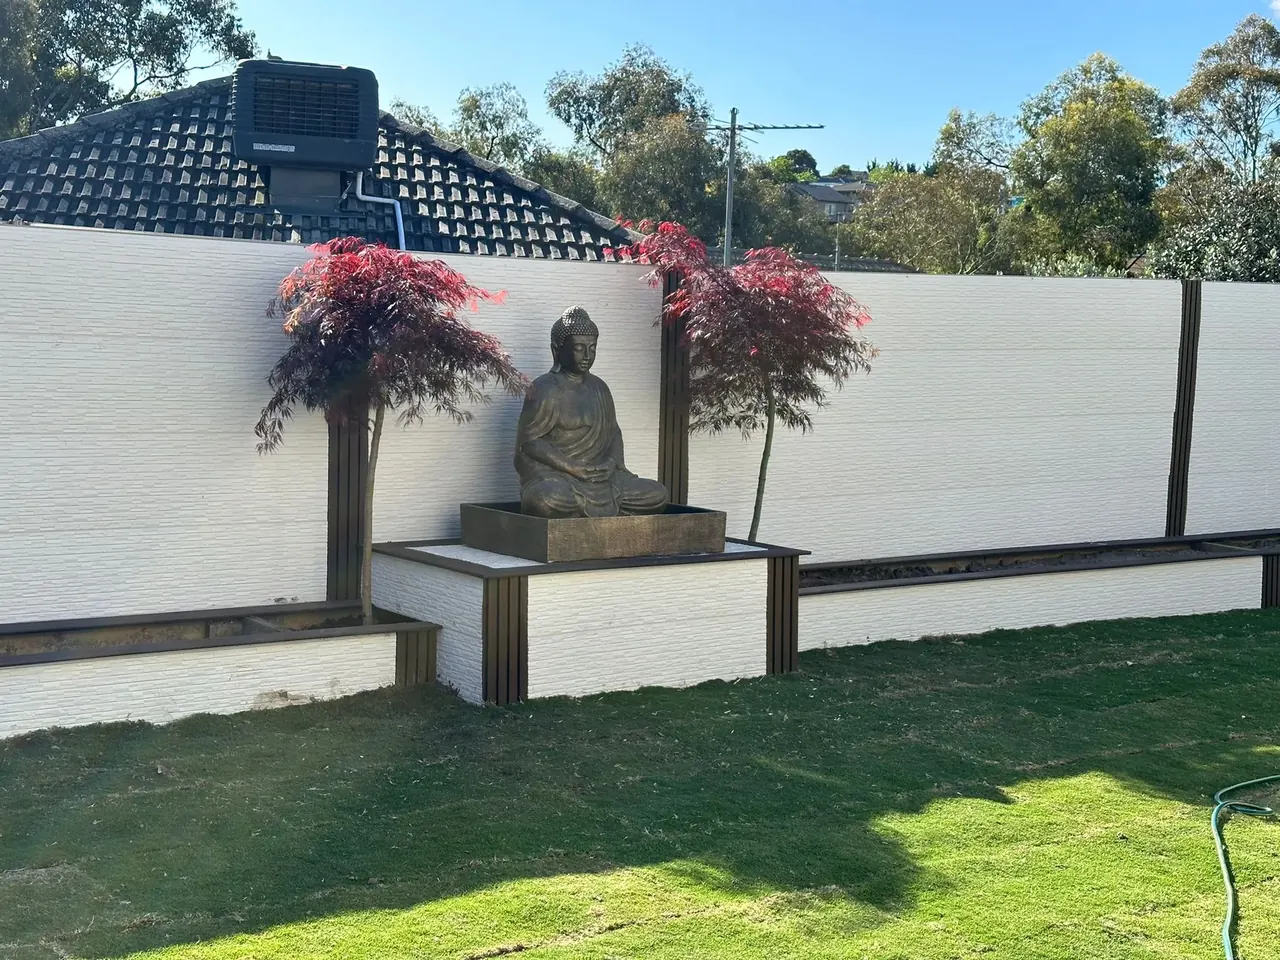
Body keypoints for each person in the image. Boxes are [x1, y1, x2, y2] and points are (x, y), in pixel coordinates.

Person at [515, 306, 669, 519]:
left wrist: (611, 463)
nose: (587, 355)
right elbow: (529, 443)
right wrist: (572, 467)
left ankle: (586, 515)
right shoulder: (544, 388)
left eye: (592, 348)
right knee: (544, 500)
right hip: (561, 478)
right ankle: (584, 512)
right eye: (578, 348)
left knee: (657, 493)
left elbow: (613, 433)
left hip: (602, 479)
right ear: (556, 350)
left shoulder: (600, 388)